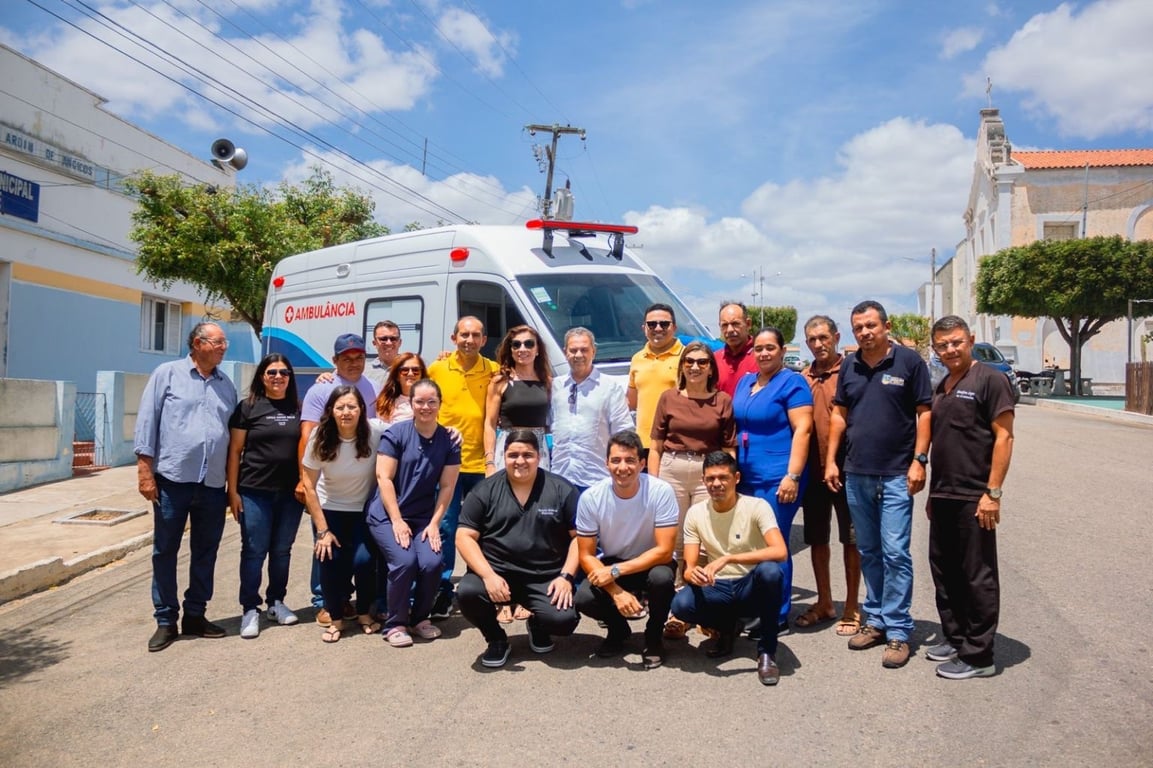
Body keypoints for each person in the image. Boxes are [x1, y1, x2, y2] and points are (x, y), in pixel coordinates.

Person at [825, 300, 931, 669]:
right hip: (857, 473)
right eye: (859, 328)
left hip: (897, 475)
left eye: (871, 325)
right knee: (868, 550)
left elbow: (924, 412)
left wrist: (919, 461)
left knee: (896, 552)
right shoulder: (850, 366)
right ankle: (876, 620)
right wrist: (831, 462)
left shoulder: (909, 362)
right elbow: (839, 415)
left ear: (885, 326)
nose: (865, 332)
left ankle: (899, 631)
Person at [135, 322, 237, 652]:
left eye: (225, 343)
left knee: (205, 552)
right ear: (197, 343)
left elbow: (233, 435)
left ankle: (195, 615)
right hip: (172, 480)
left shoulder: (226, 384)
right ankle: (166, 620)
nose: (224, 347)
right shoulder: (167, 373)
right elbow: (147, 421)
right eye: (218, 342)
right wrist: (144, 471)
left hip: (211, 485)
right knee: (165, 551)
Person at [925, 316, 1015, 679]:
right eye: (943, 345)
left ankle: (979, 656)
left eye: (956, 342)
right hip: (944, 493)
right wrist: (933, 492)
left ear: (971, 340)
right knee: (945, 570)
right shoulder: (944, 384)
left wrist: (992, 493)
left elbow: (1004, 437)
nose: (950, 349)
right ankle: (956, 636)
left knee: (977, 575)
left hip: (974, 496)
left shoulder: (991, 380)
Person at [455, 430, 581, 669]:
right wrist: (488, 576)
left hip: (545, 577)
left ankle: (538, 623)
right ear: (504, 456)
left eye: (527, 455)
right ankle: (496, 640)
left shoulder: (561, 489)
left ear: (539, 456)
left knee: (563, 621)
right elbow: (464, 536)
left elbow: (579, 538)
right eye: (513, 455)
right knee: (468, 592)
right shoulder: (485, 490)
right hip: (498, 577)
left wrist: (566, 577)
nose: (520, 461)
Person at [670, 452, 788, 686]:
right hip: (719, 585)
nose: (716, 484)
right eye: (711, 479)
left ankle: (767, 652)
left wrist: (730, 559)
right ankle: (726, 629)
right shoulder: (696, 513)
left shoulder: (756, 506)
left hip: (750, 584)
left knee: (771, 572)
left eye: (723, 478)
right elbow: (688, 568)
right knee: (680, 604)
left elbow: (780, 551)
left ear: (736, 478)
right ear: (703, 481)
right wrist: (695, 574)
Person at [647, 341, 737, 639]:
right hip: (672, 467)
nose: (695, 367)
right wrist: (654, 482)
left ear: (711, 367)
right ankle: (675, 611)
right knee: (671, 541)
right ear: (682, 366)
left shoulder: (722, 400)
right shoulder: (669, 398)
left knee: (701, 541)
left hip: (706, 473)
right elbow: (656, 446)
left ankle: (701, 609)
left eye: (702, 362)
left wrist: (728, 480)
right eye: (689, 362)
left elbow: (728, 447)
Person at [367, 379, 461, 647]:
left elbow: (447, 486)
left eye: (432, 401)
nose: (426, 407)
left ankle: (419, 619)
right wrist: (396, 520)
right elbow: (383, 478)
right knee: (405, 561)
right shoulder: (396, 434)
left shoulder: (449, 441)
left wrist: (434, 524)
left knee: (432, 563)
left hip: (422, 517)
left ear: (440, 404)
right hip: (387, 513)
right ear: (411, 404)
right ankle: (395, 623)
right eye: (420, 401)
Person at [731, 327, 813, 632]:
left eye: (770, 348)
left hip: (779, 478)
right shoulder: (746, 382)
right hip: (747, 477)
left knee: (774, 542)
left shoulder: (792, 382)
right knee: (749, 542)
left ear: (782, 351)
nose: (764, 353)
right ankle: (754, 605)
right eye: (759, 348)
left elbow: (803, 430)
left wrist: (792, 476)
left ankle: (776, 615)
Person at [575, 431, 677, 669]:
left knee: (662, 578)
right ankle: (618, 630)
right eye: (616, 460)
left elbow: (664, 550)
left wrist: (615, 572)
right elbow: (586, 555)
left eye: (630, 460)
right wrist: (616, 591)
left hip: (653, 561)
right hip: (613, 561)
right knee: (583, 597)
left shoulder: (661, 491)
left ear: (642, 463)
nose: (623, 467)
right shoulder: (591, 497)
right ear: (606, 463)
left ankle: (654, 637)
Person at [298, 333, 379, 626]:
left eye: (359, 358)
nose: (354, 363)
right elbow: (308, 433)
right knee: (327, 550)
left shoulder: (370, 387)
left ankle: (350, 602)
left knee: (361, 558)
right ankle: (326, 602)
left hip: (361, 495)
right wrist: (302, 479)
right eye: (347, 358)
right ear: (335, 361)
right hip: (328, 487)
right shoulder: (321, 390)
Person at [226, 354, 303, 639]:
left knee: (282, 550)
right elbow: (234, 452)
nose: (278, 377)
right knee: (254, 551)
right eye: (272, 372)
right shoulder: (247, 408)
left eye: (284, 372)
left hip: (290, 495)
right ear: (262, 376)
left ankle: (276, 603)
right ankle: (250, 608)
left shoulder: (298, 408)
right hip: (254, 492)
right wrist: (232, 492)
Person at [427, 316, 499, 620]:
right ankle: (442, 591)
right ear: (454, 338)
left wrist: (492, 459)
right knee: (445, 528)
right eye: (464, 335)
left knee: (483, 530)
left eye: (476, 335)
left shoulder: (494, 371)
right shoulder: (437, 368)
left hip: (481, 464)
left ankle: (477, 586)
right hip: (446, 465)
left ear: (484, 340)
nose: (469, 340)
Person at [797, 315, 861, 635]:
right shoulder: (802, 378)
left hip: (847, 470)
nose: (819, 344)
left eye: (824, 337)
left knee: (852, 540)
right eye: (812, 339)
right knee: (817, 539)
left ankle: (852, 607)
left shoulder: (851, 372)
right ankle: (825, 601)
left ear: (836, 337)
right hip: (812, 473)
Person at [549, 327, 633, 493]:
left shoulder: (610, 387)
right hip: (560, 477)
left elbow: (623, 434)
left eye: (584, 350)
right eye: (573, 350)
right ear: (566, 352)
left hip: (596, 480)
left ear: (593, 351)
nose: (578, 355)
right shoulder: (556, 386)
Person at [484, 324, 553, 475]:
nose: (522, 349)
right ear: (511, 350)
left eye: (529, 344)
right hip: (508, 448)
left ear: (537, 350)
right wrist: (489, 462)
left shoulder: (547, 382)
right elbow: (489, 424)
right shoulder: (500, 382)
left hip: (538, 450)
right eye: (516, 345)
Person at [627, 303, 684, 455]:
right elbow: (631, 403)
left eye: (664, 324)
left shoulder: (687, 358)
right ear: (644, 328)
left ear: (675, 328)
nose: (658, 328)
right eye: (652, 324)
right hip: (644, 444)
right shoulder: (637, 359)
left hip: (675, 443)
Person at [714, 302, 758, 397]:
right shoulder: (713, 360)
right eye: (725, 325)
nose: (729, 330)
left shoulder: (762, 357)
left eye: (735, 324)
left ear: (748, 324)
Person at [375, 352, 428, 427]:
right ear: (397, 376)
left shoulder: (431, 401)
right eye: (404, 370)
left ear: (422, 374)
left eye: (415, 370)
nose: (410, 374)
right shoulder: (386, 403)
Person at [365, 320, 403, 391]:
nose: (388, 343)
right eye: (383, 339)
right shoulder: (364, 372)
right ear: (374, 343)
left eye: (393, 339)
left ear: (400, 342)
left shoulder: (412, 369)